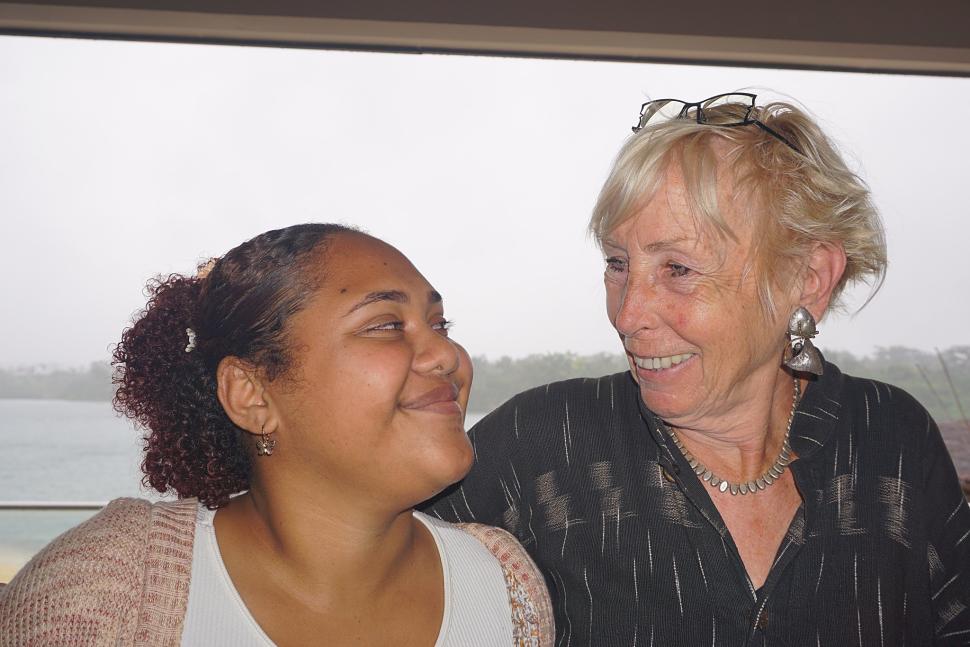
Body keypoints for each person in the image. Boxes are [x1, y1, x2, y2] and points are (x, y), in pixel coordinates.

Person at [426, 93, 970, 645]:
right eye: (618, 263)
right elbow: (369, 577)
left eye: (678, 268)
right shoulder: (543, 443)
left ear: (808, 277)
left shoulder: (891, 437)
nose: (627, 314)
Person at [0, 224, 553, 646]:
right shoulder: (107, 591)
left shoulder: (504, 584)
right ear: (251, 394)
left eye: (440, 324)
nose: (448, 355)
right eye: (386, 325)